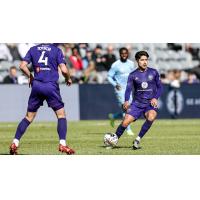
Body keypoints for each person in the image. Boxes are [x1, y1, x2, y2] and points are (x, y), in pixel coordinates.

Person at [9, 43, 75, 155]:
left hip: (37, 85)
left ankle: (15, 142)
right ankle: (62, 144)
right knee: (61, 115)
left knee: (28, 117)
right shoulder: (56, 50)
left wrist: (30, 76)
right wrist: (68, 78)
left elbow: (22, 66)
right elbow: (64, 70)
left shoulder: (33, 49)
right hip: (51, 86)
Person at [112, 51, 162, 149]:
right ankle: (114, 139)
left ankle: (137, 140)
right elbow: (128, 89)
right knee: (125, 122)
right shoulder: (132, 75)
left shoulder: (154, 72)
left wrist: (155, 98)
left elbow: (160, 87)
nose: (145, 62)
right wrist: (126, 100)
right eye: (142, 60)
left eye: (146, 60)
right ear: (137, 61)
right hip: (137, 103)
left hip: (149, 104)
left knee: (151, 117)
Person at [107, 47, 135, 136]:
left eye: (125, 53)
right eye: (122, 53)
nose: (124, 55)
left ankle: (114, 116)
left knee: (129, 110)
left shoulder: (131, 64)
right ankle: (128, 129)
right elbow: (109, 76)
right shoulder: (115, 65)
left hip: (129, 89)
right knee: (126, 108)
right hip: (120, 90)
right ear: (120, 54)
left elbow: (133, 75)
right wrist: (115, 84)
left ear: (127, 54)